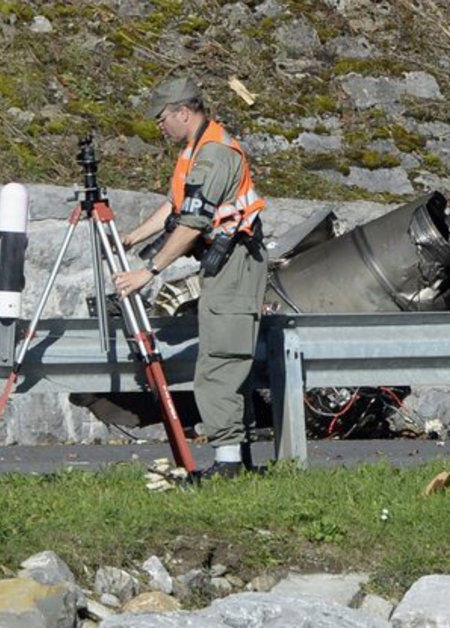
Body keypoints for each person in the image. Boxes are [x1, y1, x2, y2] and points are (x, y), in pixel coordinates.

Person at [113, 76, 268, 480]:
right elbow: (175, 207)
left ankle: (229, 468)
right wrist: (134, 237)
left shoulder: (214, 155)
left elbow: (194, 223)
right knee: (221, 356)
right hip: (225, 267)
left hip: (235, 266)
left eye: (162, 118)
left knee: (219, 361)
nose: (159, 127)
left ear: (184, 112)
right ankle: (236, 461)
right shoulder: (194, 151)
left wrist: (149, 271)